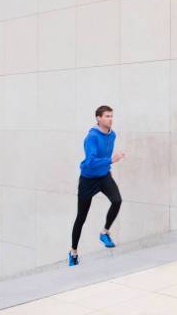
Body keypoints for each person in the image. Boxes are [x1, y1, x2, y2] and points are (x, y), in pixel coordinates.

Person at [68, 105, 125, 266]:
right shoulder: (91, 137)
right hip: (88, 180)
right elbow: (90, 162)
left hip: (104, 176)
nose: (110, 119)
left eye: (111, 116)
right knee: (81, 217)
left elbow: (105, 157)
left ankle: (104, 232)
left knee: (117, 200)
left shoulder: (112, 135)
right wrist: (111, 160)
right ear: (98, 118)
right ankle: (73, 252)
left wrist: (108, 163)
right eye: (107, 116)